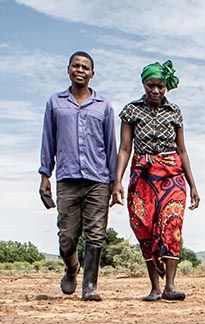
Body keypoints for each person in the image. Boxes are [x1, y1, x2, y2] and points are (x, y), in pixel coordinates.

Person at [112, 60, 200, 301]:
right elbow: (124, 148)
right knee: (144, 227)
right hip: (143, 175)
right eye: (151, 85)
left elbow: (182, 151)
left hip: (172, 175)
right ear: (144, 84)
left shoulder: (175, 112)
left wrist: (193, 184)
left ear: (166, 87)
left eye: (160, 86)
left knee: (172, 225)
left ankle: (170, 286)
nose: (156, 90)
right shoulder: (131, 110)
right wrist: (117, 181)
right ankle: (154, 287)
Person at [39, 51, 117, 301]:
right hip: (67, 178)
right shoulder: (55, 103)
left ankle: (90, 286)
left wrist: (115, 182)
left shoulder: (103, 106)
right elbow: (48, 140)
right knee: (67, 237)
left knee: (96, 234)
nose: (80, 70)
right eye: (76, 66)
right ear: (68, 69)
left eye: (86, 67)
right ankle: (72, 268)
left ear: (92, 74)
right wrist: (44, 175)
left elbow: (111, 145)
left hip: (98, 180)